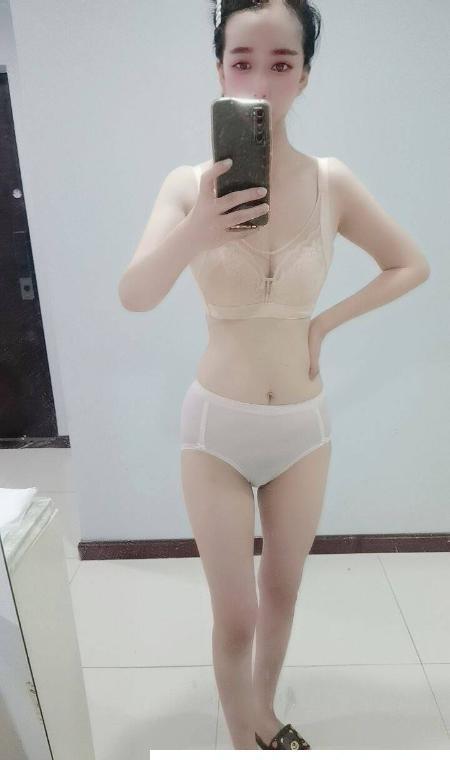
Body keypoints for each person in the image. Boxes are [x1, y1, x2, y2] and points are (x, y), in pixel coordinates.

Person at [119, 0, 430, 750]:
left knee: (282, 596)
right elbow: (135, 294)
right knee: (236, 616)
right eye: (243, 62)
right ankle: (244, 734)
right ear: (220, 71)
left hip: (302, 429)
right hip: (216, 431)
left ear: (305, 76)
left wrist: (322, 324)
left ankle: (259, 713)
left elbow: (409, 264)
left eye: (281, 64)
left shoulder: (331, 182)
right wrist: (198, 229)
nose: (261, 82)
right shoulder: (187, 185)